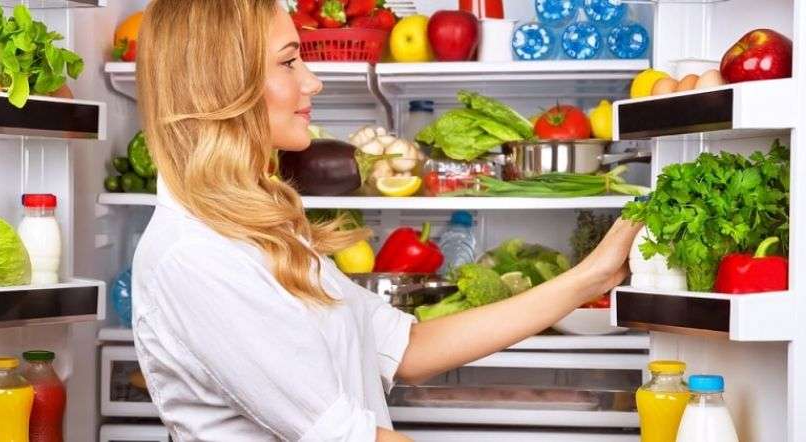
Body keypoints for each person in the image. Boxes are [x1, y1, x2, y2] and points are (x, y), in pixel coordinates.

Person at [131, 1, 642, 440]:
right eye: (288, 62)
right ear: (223, 87)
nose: (313, 81)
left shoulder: (256, 227)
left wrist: (592, 276)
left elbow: (408, 348)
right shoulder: (198, 257)